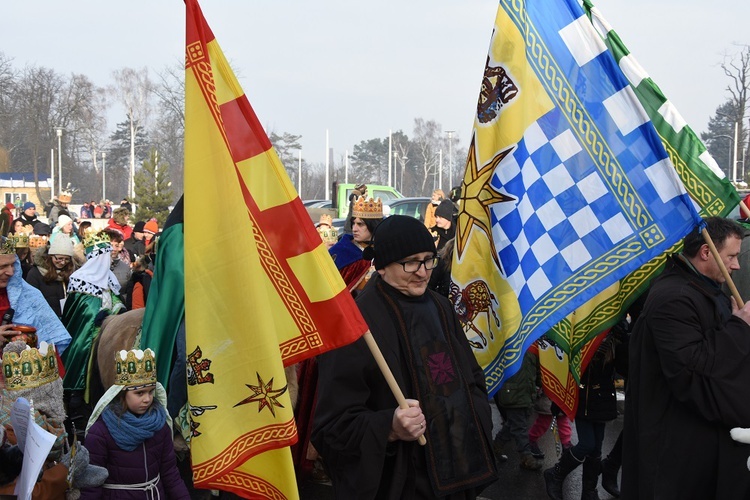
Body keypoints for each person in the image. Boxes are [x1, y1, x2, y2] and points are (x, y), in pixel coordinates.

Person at [312, 215, 498, 499]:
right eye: (410, 262)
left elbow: (470, 378)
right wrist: (389, 427)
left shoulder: (442, 307)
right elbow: (331, 428)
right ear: (383, 266)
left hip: (458, 476)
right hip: (402, 483)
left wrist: (476, 413)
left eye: (428, 259)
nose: (423, 272)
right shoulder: (356, 325)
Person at [622, 216, 750, 499]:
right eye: (731, 256)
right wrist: (739, 327)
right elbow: (696, 367)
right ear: (706, 252)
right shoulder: (674, 297)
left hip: (699, 445)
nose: (736, 265)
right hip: (678, 451)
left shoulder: (703, 290)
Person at [81, 348, 190, 499]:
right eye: (139, 393)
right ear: (122, 394)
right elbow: (91, 485)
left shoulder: (160, 426)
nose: (147, 399)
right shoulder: (100, 432)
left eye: (151, 392)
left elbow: (170, 474)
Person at [60, 229, 126, 440]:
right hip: (87, 335)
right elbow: (81, 314)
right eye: (106, 255)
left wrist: (117, 311)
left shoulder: (109, 279)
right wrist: (97, 317)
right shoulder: (80, 279)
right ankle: (77, 403)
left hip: (107, 328)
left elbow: (113, 300)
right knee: (82, 356)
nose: (110, 259)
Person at [544, 331, 619, 500]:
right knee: (587, 444)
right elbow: (568, 368)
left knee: (596, 449)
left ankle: (589, 491)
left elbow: (622, 367)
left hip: (603, 399)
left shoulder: (614, 339)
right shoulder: (582, 333)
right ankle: (555, 474)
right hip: (581, 398)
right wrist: (559, 400)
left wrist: (624, 339)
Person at [0, 236, 71, 353]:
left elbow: (50, 344)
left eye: (13, 265)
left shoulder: (29, 295)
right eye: (2, 267)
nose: (10, 272)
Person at [328, 196, 383, 293]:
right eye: (353, 223)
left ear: (373, 225)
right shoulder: (341, 251)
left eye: (360, 224)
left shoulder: (384, 250)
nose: (354, 229)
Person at [25, 235, 77, 318]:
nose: (63, 262)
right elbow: (30, 300)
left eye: (67, 259)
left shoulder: (71, 273)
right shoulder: (35, 273)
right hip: (43, 319)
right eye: (59, 258)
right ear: (50, 256)